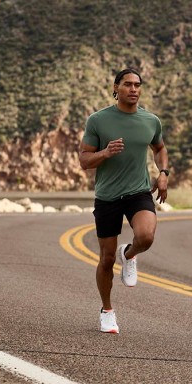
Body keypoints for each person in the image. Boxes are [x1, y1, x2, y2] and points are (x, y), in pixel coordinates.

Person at [79, 68, 170, 334]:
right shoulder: (98, 120)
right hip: (107, 196)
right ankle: (107, 310)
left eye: (137, 85)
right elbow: (84, 160)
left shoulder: (150, 120)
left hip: (138, 192)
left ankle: (129, 254)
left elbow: (160, 148)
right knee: (106, 259)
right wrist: (105, 153)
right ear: (116, 87)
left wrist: (163, 173)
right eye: (127, 84)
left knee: (146, 236)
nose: (133, 89)